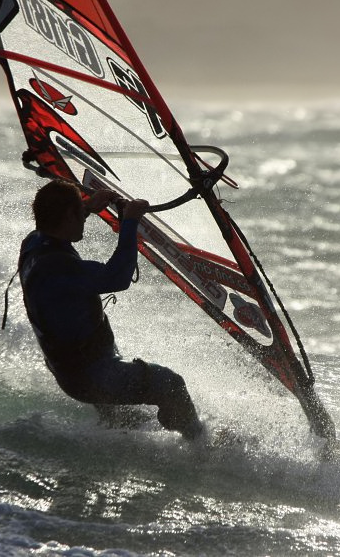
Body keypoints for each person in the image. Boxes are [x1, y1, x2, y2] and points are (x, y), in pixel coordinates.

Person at [17, 179, 204, 440]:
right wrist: (130, 223)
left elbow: (60, 219)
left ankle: (116, 439)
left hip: (70, 370)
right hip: (93, 375)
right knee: (170, 384)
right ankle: (201, 446)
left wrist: (88, 207)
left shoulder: (33, 243)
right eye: (78, 215)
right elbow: (117, 277)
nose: (82, 221)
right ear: (67, 216)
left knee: (124, 422)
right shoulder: (59, 268)